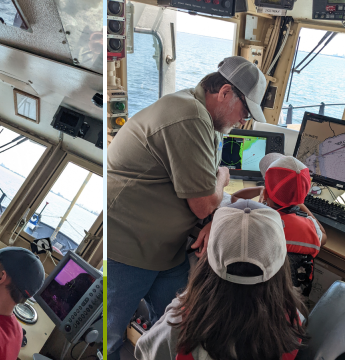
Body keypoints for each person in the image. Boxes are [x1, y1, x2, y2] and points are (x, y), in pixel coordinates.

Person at [106, 56, 268, 359]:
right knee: (110, 335)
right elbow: (204, 201)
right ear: (224, 93)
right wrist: (222, 179)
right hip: (127, 248)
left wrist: (214, 217)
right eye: (244, 110)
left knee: (181, 323)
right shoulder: (190, 116)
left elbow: (204, 198)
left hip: (163, 250)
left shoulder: (202, 117)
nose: (243, 121)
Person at [134, 200, 308, 360]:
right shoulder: (293, 321)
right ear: (281, 267)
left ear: (207, 262)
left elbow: (145, 351)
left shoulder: (180, 326)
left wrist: (184, 301)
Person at [232, 153, 327, 300]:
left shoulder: (255, 217)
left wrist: (260, 190)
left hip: (259, 296)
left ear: (266, 192)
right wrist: (300, 204)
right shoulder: (311, 228)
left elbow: (234, 198)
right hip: (292, 301)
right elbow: (324, 235)